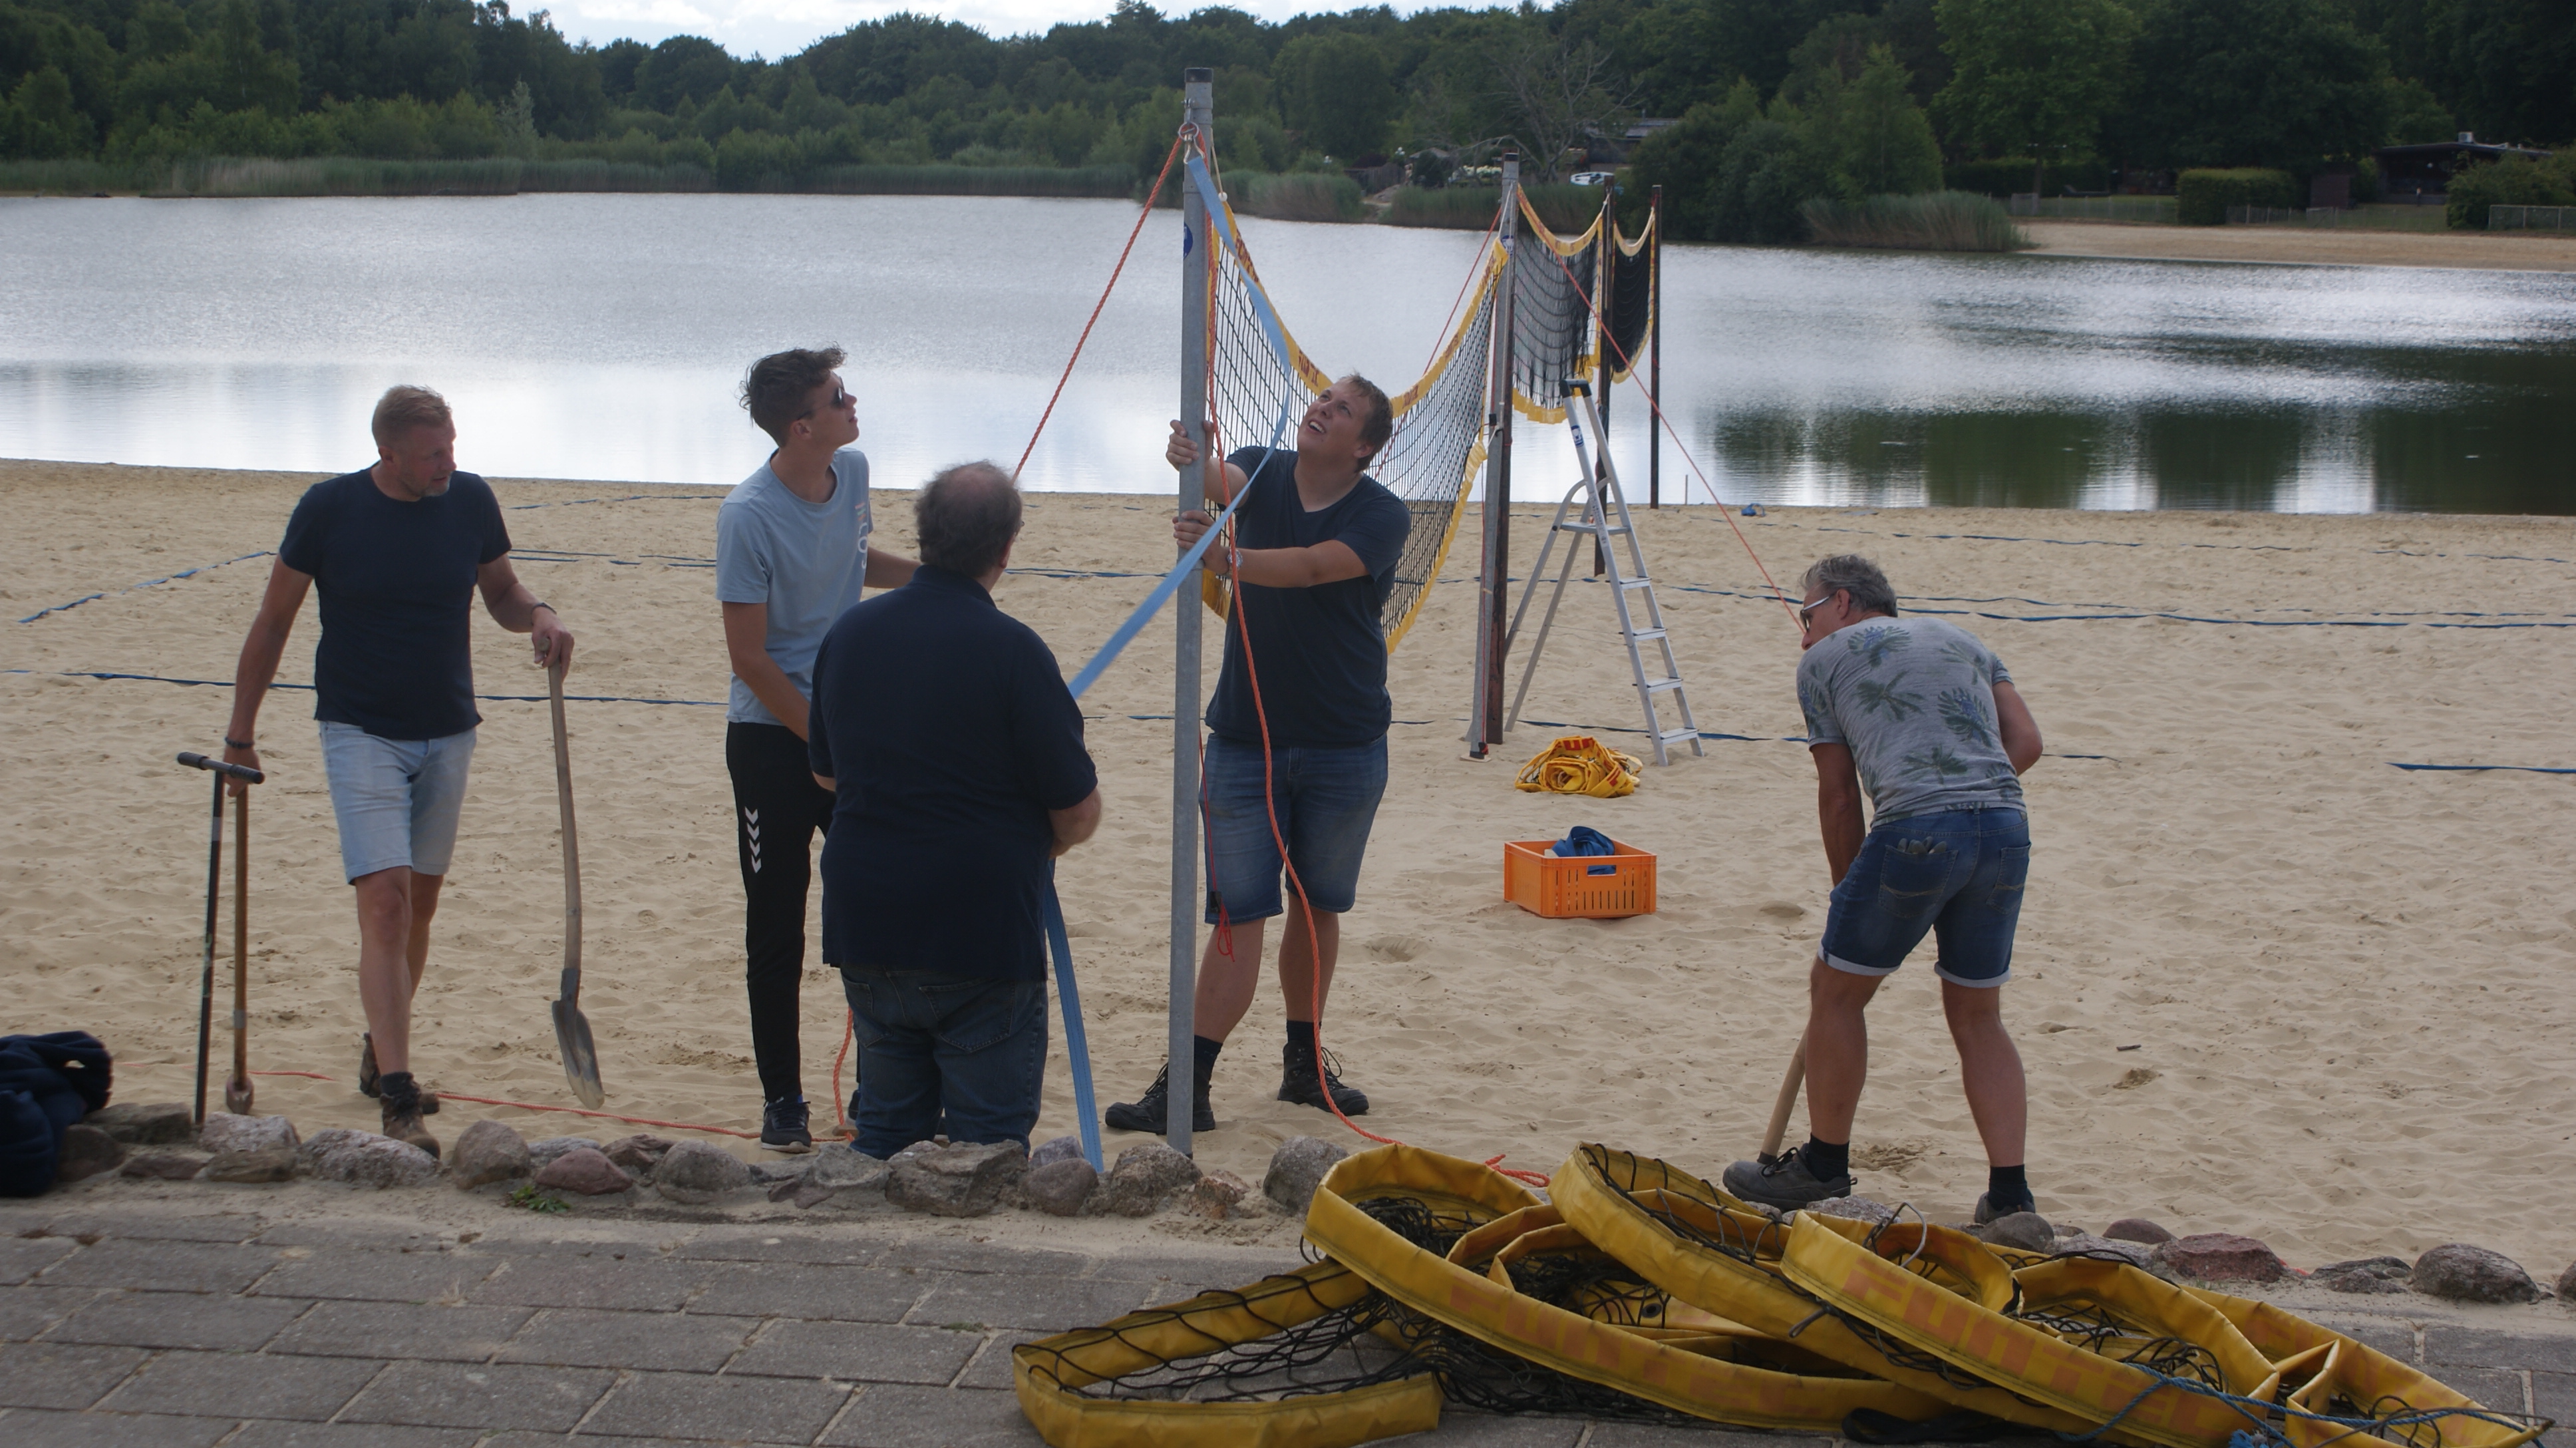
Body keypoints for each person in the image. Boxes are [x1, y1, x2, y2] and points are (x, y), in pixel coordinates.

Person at [220, 385, 573, 1157]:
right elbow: (274, 618)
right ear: (390, 454)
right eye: (434, 453)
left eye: (452, 446)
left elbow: (502, 593)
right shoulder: (329, 509)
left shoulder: (469, 499)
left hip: (448, 730)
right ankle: (399, 1094)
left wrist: (540, 614)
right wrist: (240, 733)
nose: (450, 462)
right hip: (359, 730)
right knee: (384, 906)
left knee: (418, 907)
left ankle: (380, 1050)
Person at [1106, 377, 1412, 1135]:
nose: (1321, 408)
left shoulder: (1381, 514)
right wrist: (1192, 451)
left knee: (1316, 908)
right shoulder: (1264, 468)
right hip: (1246, 738)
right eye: (1322, 398)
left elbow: (1311, 567)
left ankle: (1303, 1069)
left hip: (1345, 743)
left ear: (1363, 446)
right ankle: (1185, 1088)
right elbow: (1216, 479)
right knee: (1237, 918)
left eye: (1340, 409)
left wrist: (1225, 558)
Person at [1722, 555, 2044, 1220]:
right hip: (2004, 826)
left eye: (1804, 613)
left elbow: (1839, 796)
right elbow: (2026, 742)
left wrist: (1848, 885)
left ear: (1841, 602)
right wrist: (1966, 789)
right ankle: (2010, 1199)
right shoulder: (1966, 640)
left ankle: (1823, 1164)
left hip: (1916, 831)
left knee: (1834, 990)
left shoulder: (1824, 659)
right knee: (1978, 1014)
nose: (1802, 633)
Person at [806, 462, 1100, 1157]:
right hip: (977, 931)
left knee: (885, 1136)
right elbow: (1078, 809)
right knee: (986, 1150)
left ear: (924, 536)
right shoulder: (1013, 650)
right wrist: (1044, 844)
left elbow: (825, 773)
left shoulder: (849, 633)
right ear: (1006, 547)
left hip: (871, 921)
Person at [717, 347, 918, 1152]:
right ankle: (783, 1102)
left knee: (879, 908)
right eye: (839, 397)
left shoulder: (855, 471)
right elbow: (749, 658)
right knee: (776, 924)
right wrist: (822, 739)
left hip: (846, 730)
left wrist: (940, 578)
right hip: (771, 741)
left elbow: (854, 560)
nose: (852, 401)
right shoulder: (747, 515)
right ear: (801, 425)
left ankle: (883, 1088)